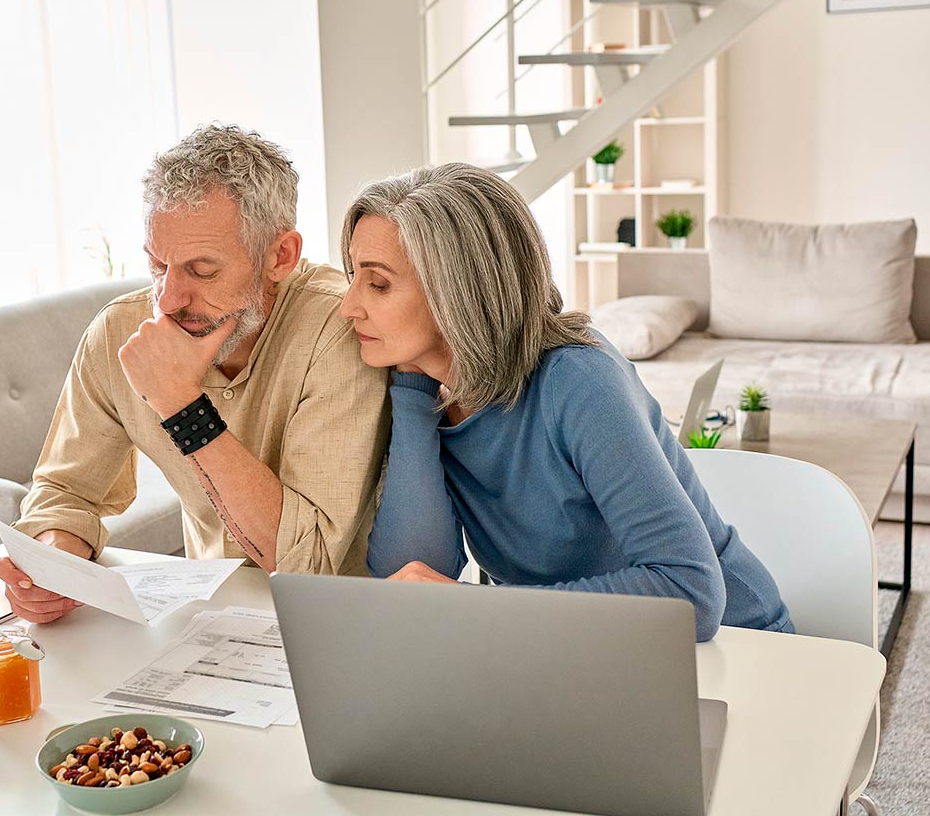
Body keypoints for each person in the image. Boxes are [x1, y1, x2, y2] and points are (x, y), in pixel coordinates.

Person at [338, 163, 792, 641]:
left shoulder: (577, 378)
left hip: (733, 649)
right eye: (353, 276)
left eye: (378, 284)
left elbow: (690, 592)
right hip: (575, 650)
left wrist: (480, 605)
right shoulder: (431, 389)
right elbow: (409, 576)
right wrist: (412, 395)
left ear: (457, 291)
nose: (349, 305)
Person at [0, 125, 390, 623]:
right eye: (158, 265)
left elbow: (304, 563)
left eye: (202, 271)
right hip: (206, 621)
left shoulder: (340, 330)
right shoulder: (120, 330)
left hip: (341, 623)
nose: (168, 299)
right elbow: (65, 492)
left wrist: (183, 408)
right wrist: (55, 560)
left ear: (280, 257)